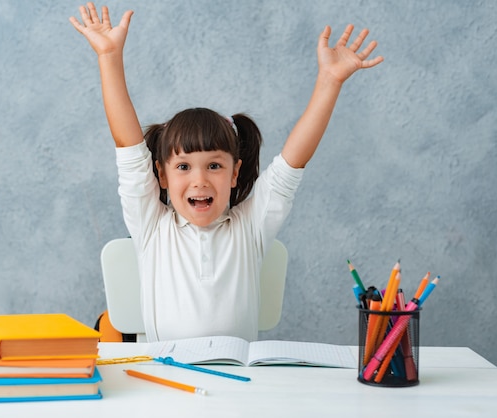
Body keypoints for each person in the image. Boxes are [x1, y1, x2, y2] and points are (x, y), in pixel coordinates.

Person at [70, 3, 383, 342]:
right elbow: (129, 148)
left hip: (240, 388)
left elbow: (292, 163)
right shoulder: (151, 227)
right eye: (184, 167)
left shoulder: (251, 226)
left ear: (235, 174)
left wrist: (330, 81)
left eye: (215, 166)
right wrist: (109, 58)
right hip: (167, 381)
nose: (200, 180)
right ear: (161, 175)